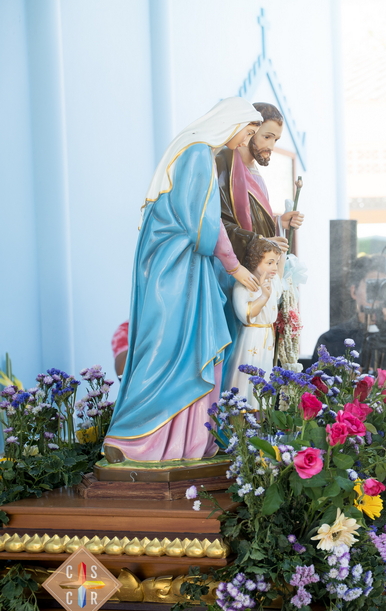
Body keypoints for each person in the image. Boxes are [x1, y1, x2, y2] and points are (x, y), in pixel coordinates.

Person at [105, 98, 262, 463]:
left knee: (185, 350)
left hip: (182, 266)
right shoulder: (197, 154)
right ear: (231, 122)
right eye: (249, 131)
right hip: (178, 270)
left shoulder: (192, 149)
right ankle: (135, 440)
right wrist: (234, 265)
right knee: (170, 350)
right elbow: (203, 225)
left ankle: (186, 443)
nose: (246, 140)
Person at [216, 102, 304, 265]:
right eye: (267, 137)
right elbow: (218, 222)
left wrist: (280, 222)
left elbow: (252, 220)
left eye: (275, 140)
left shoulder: (254, 172)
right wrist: (259, 243)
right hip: (229, 266)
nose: (271, 146)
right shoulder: (224, 163)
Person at [224, 240, 283, 407]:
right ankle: (243, 413)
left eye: (276, 263)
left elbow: (280, 277)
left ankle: (261, 414)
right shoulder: (243, 285)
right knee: (247, 378)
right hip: (252, 337)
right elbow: (246, 316)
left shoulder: (273, 282)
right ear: (255, 260)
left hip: (267, 338)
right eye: (269, 262)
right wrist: (263, 296)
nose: (274, 268)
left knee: (265, 375)